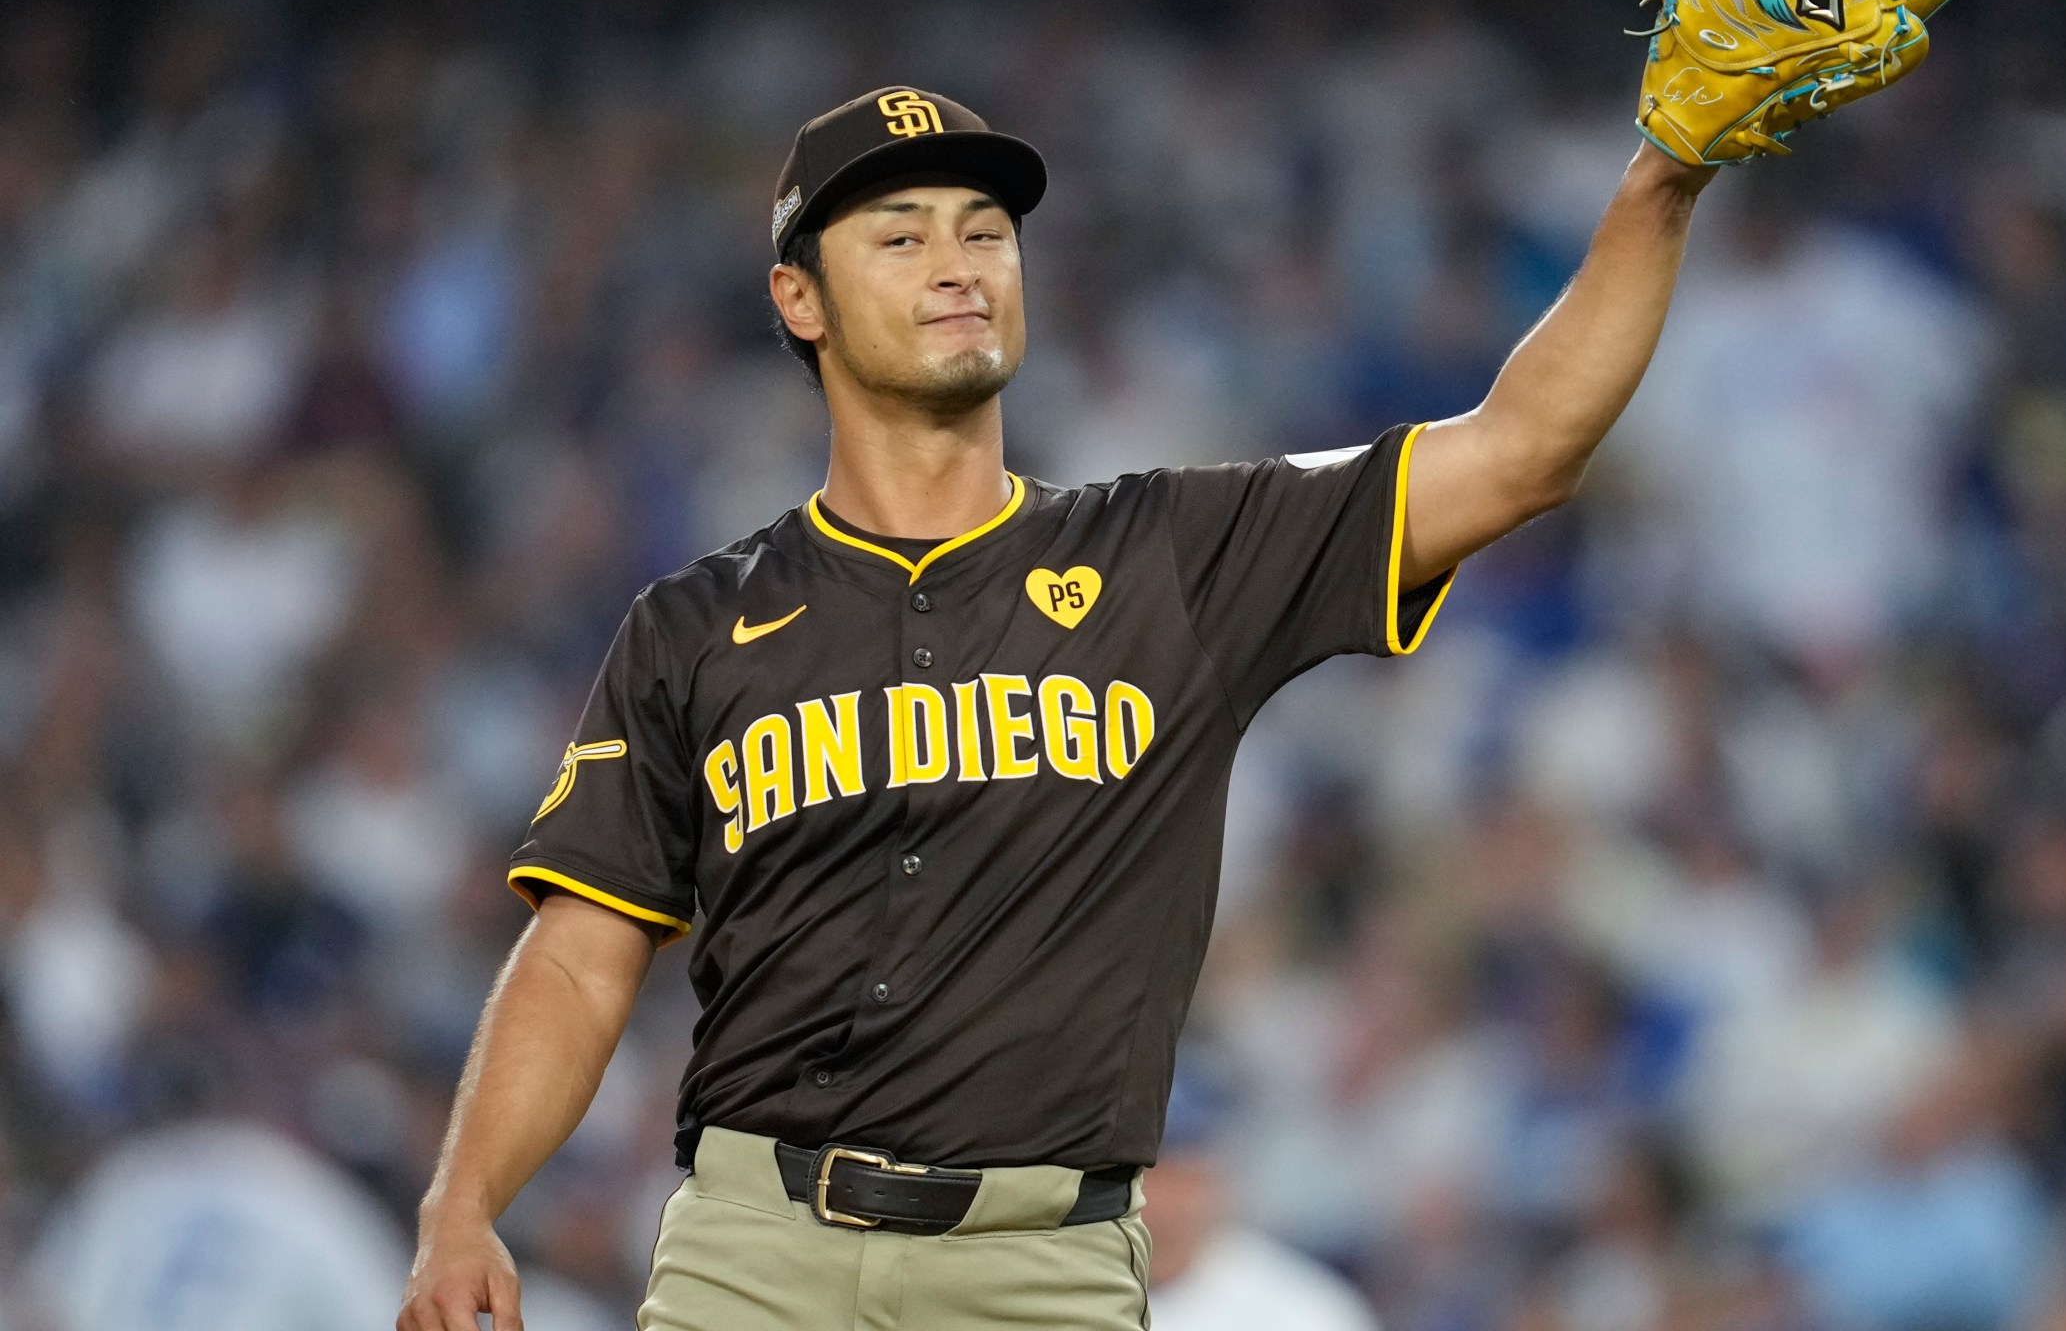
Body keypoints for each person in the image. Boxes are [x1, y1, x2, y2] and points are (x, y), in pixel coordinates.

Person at [391, 69, 1718, 1331]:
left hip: (1045, 1268)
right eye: (900, 237)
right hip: (756, 1256)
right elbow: (576, 956)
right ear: (800, 298)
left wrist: (1661, 177)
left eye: (985, 231)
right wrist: (464, 1204)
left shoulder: (1174, 561)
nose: (961, 263)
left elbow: (1522, 451)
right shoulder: (694, 628)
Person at [1145, 1057, 1380, 1331]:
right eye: (1143, 1173)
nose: (1157, 1195)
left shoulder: (1304, 1310)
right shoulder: (1085, 1290)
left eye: (1179, 1173)